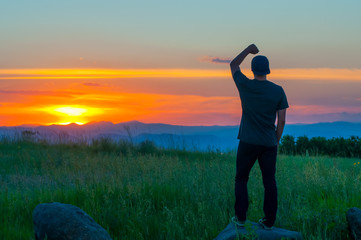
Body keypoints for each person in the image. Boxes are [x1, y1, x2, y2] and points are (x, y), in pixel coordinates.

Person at [229, 44, 289, 230]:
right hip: (268, 144)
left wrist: (248, 50)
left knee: (241, 179)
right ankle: (269, 222)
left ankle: (240, 219)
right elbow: (281, 121)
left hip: (247, 141)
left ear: (253, 70)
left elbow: (233, 65)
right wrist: (275, 140)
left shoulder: (245, 85)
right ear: (268, 71)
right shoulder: (278, 90)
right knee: (269, 182)